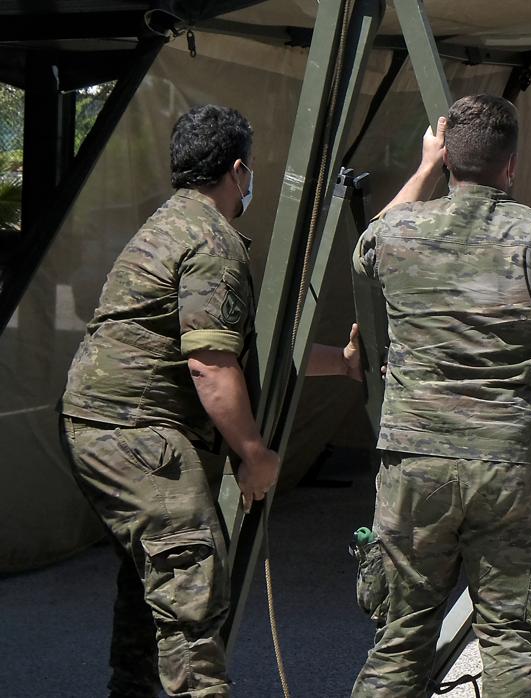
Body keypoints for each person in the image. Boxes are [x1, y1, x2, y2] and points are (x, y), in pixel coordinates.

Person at [60, 105, 361, 697]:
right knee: (193, 583)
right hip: (136, 430)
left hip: (105, 424)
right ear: (238, 170)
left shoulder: (172, 224)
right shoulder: (211, 242)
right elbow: (210, 364)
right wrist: (253, 453)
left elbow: (246, 355)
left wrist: (344, 365)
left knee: (156, 581)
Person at [350, 95, 531, 697]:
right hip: (508, 461)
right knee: (511, 637)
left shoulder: (400, 232)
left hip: (414, 461)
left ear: (445, 158)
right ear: (511, 165)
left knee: (400, 634)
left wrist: (422, 169)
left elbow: (367, 249)